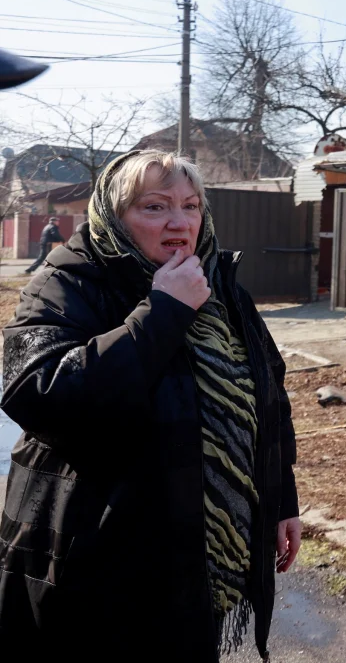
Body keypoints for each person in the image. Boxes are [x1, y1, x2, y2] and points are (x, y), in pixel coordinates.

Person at [0, 150, 300, 662]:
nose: (180, 223)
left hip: (195, 554)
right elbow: (38, 392)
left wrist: (280, 500)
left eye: (191, 206)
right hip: (95, 560)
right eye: (155, 207)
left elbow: (267, 396)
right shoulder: (69, 280)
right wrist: (163, 312)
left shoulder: (218, 284)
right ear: (114, 217)